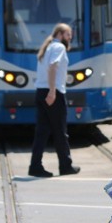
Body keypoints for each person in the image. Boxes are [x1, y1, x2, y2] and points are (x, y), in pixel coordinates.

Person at [28, 23, 80, 177]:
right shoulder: (58, 48)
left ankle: (35, 166)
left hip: (41, 91)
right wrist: (52, 92)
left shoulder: (48, 47)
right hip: (53, 92)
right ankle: (65, 166)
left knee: (42, 132)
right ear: (60, 34)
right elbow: (53, 67)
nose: (70, 38)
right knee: (60, 131)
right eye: (68, 34)